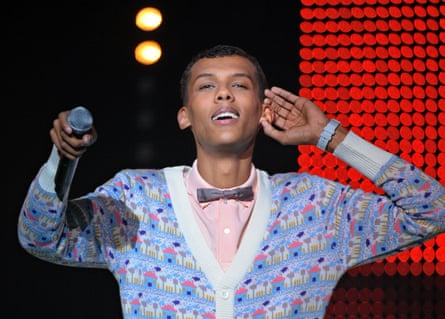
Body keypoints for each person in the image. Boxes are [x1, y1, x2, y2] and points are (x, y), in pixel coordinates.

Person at [18, 44, 444, 319]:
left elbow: (432, 209)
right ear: (184, 115)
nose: (224, 95)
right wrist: (63, 158)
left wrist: (330, 136)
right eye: (207, 87)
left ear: (263, 110)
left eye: (239, 85)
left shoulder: (316, 205)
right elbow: (40, 236)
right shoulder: (136, 198)